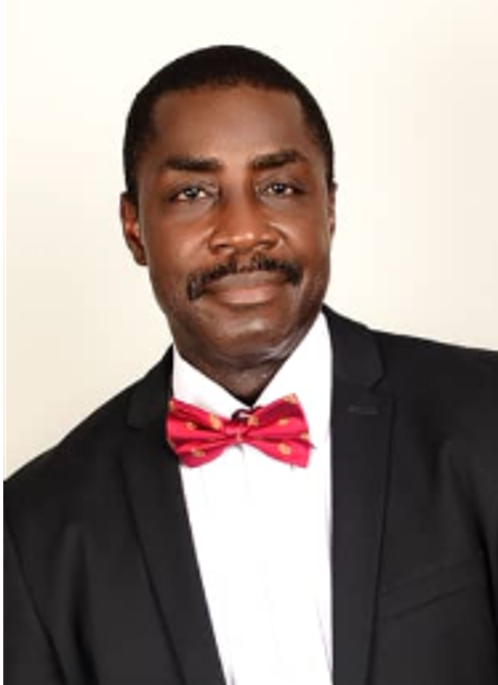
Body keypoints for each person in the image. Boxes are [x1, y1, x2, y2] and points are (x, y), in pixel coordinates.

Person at [5, 45, 498, 685]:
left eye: (278, 187)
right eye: (192, 192)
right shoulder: (32, 526)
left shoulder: (486, 417)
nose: (243, 232)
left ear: (329, 208)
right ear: (134, 228)